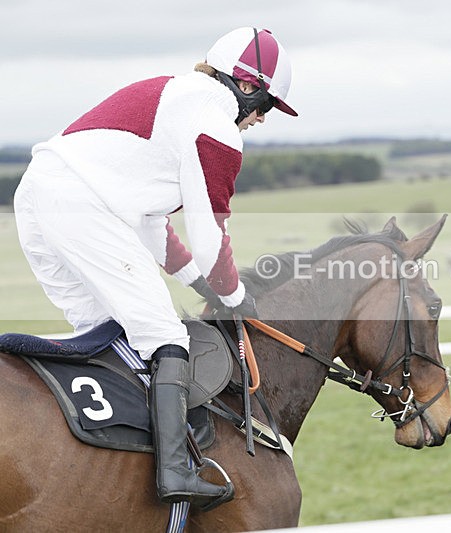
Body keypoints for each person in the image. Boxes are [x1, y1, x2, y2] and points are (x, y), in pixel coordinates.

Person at [13, 27, 298, 508]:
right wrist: (232, 297)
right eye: (267, 104)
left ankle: (104, 457)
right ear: (247, 87)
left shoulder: (174, 94)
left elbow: (152, 226)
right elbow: (212, 238)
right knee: (166, 337)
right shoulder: (218, 125)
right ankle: (174, 473)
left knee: (109, 331)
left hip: (38, 197)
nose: (263, 118)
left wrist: (199, 284)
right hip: (82, 208)